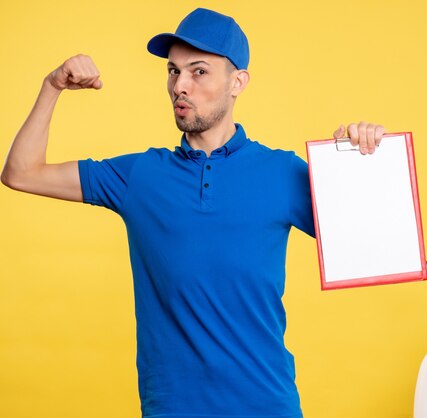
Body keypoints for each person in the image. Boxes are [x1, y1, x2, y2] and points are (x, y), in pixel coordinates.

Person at [1, 8, 384, 418]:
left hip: (268, 405)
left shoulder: (281, 172)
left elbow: (374, 247)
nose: (180, 86)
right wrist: (51, 86)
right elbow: (21, 173)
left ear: (238, 82)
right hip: (172, 408)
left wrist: (364, 163)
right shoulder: (140, 175)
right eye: (173, 71)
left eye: (198, 72)